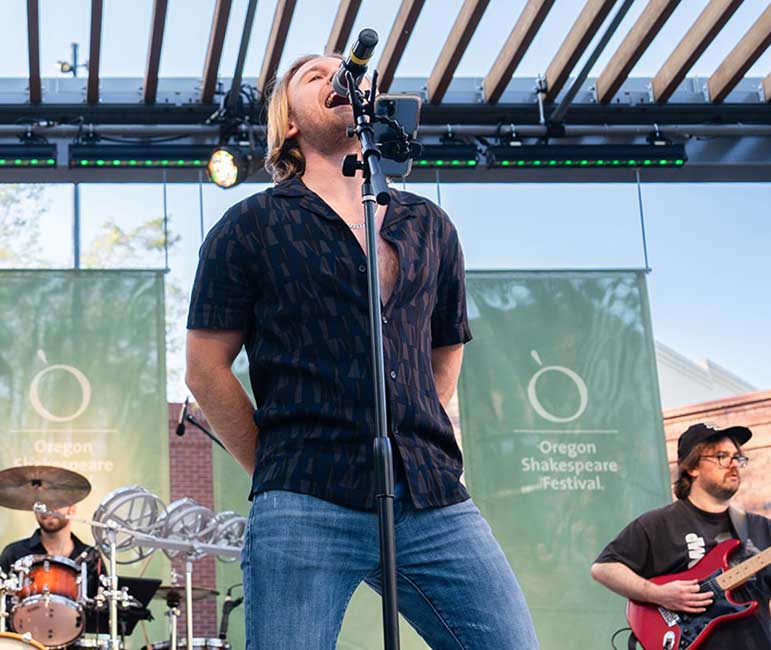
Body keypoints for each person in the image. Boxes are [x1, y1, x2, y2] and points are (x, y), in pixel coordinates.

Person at [183, 54, 537, 649]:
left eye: (349, 73)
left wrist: (408, 426)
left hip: (431, 496)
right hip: (304, 496)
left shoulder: (431, 225)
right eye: (315, 76)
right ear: (289, 122)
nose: (339, 77)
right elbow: (204, 368)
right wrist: (274, 469)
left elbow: (445, 352)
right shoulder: (249, 226)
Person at [591, 423, 771, 648]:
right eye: (721, 457)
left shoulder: (762, 528)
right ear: (692, 467)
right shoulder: (658, 524)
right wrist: (659, 594)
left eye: (737, 457)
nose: (733, 464)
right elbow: (604, 568)